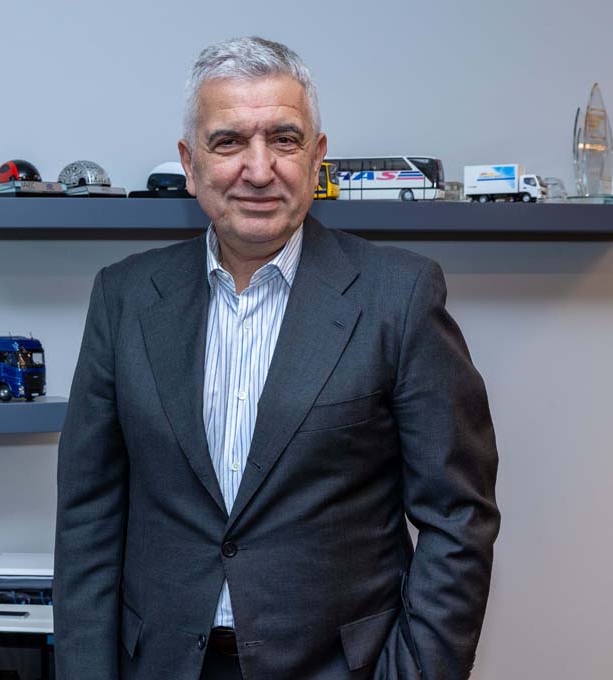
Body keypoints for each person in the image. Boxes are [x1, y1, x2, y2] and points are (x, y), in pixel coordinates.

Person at [54, 36, 500, 680]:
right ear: (190, 163)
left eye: (284, 140)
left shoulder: (399, 297)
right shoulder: (124, 298)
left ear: (317, 158)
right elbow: (87, 519)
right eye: (229, 141)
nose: (258, 170)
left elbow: (458, 518)